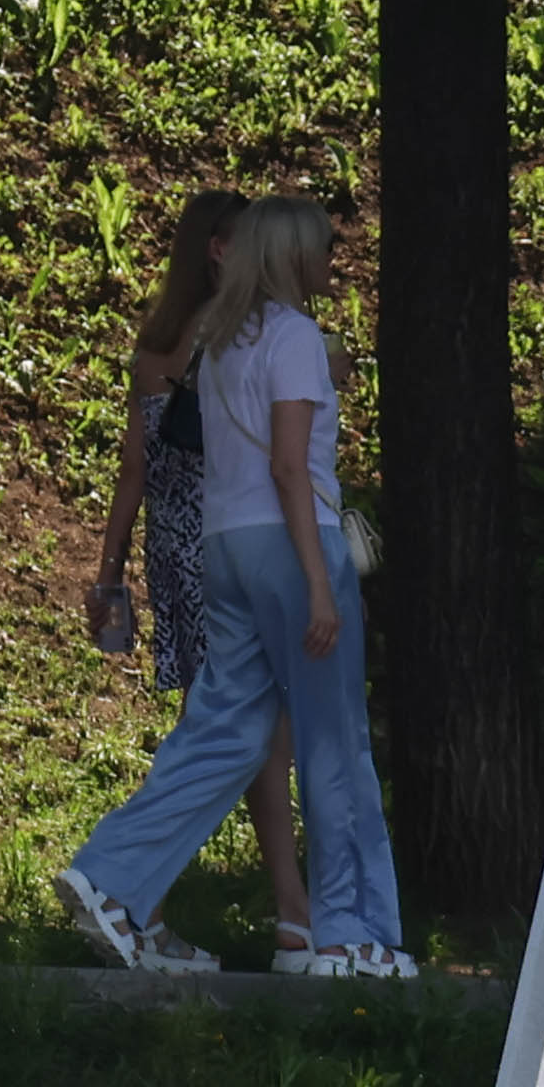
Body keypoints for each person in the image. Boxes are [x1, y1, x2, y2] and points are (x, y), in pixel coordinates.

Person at [56, 193, 414, 979]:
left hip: (226, 550)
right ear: (291, 256)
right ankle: (348, 936)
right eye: (322, 247)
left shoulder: (218, 344)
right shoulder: (294, 338)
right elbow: (292, 465)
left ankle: (111, 873)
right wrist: (321, 587)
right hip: (294, 548)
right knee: (333, 740)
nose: (332, 261)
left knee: (226, 729)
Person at [80, 191, 310, 958]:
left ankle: (154, 901)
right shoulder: (245, 340)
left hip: (173, 551)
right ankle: (283, 913)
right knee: (250, 732)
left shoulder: (158, 347)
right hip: (229, 548)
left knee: (218, 727)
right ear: (218, 250)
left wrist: (110, 574)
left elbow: (133, 469)